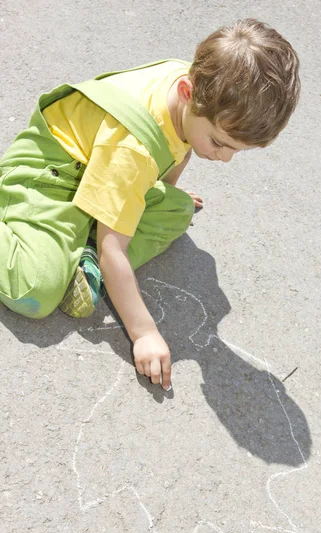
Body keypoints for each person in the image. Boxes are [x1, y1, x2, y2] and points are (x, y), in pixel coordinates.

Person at [0, 18, 300, 391]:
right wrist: (143, 333)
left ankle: (85, 259)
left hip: (106, 171)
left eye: (235, 150)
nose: (224, 160)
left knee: (177, 209)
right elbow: (118, 243)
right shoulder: (133, 148)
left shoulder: (196, 87)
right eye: (220, 143)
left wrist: (161, 192)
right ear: (189, 92)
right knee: (36, 291)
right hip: (50, 180)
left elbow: (180, 148)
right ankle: (88, 258)